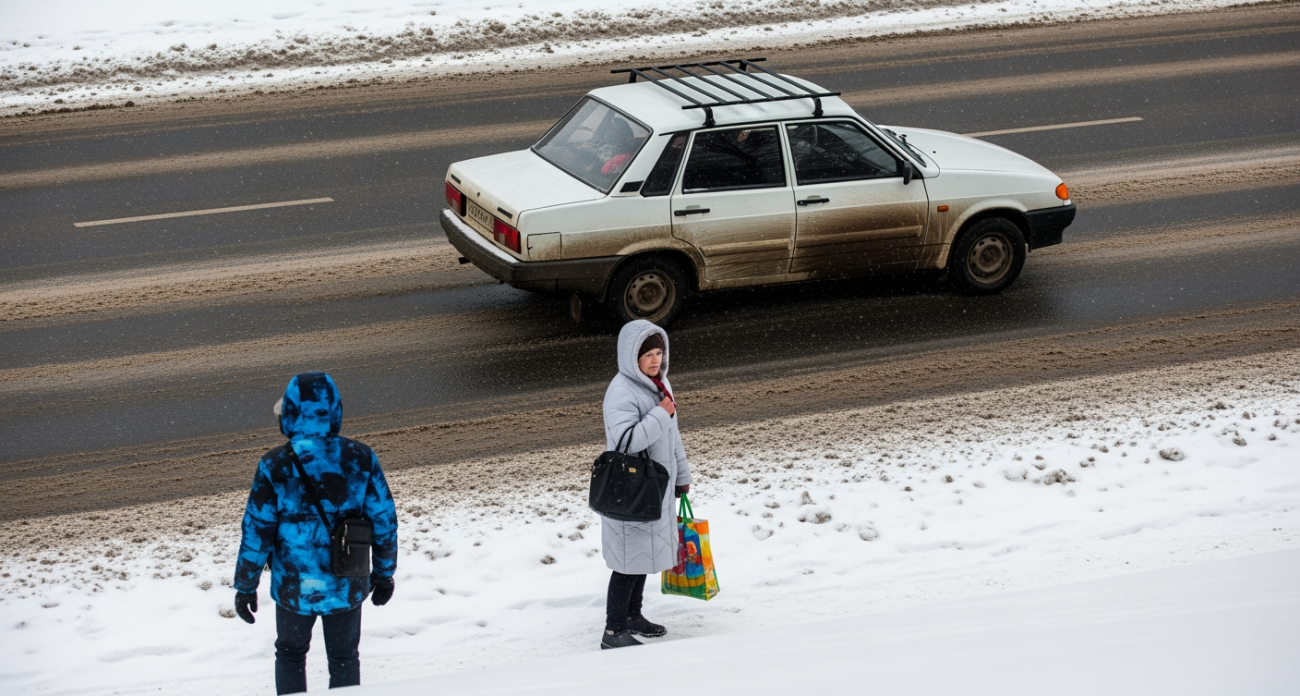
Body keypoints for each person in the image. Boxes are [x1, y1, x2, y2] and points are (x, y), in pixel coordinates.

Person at [232, 372, 399, 693]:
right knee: (345, 657)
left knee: (291, 654)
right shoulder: (361, 457)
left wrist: (245, 585)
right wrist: (384, 572)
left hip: (295, 588)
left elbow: (257, 530)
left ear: (290, 414)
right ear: (335, 411)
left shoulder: (274, 464)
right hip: (346, 581)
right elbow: (384, 521)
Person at [598, 320, 692, 649]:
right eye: (647, 354)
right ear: (630, 356)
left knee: (642, 557)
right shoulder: (621, 392)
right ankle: (613, 632)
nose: (655, 360)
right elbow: (626, 442)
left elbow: (673, 436)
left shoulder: (659, 385)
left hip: (656, 486)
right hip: (631, 490)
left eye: (659, 352)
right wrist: (660, 415)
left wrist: (682, 477)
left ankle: (633, 616)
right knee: (627, 562)